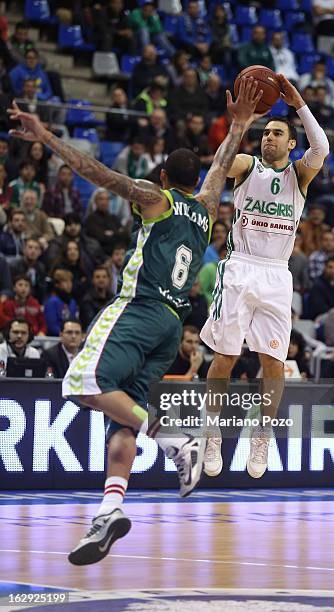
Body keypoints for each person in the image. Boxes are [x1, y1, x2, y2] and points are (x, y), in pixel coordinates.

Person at [8, 78, 265, 562]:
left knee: (81, 383)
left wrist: (44, 137)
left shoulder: (158, 199)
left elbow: (101, 175)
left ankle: (173, 439)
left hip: (139, 309)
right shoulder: (207, 211)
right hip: (171, 328)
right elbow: (217, 174)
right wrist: (239, 127)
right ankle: (109, 510)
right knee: (119, 416)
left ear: (163, 176)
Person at [200, 74, 329, 479]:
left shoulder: (299, 176)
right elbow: (220, 164)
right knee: (224, 357)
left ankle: (262, 435)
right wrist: (239, 125)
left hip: (276, 274)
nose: (269, 137)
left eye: (277, 132)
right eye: (266, 132)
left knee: (274, 363)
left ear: (292, 144)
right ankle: (212, 432)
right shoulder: (247, 165)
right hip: (240, 267)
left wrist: (299, 105)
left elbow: (322, 147)